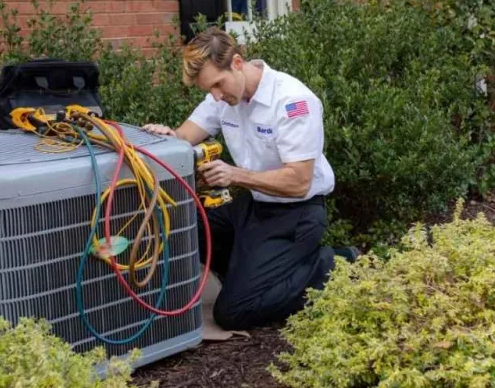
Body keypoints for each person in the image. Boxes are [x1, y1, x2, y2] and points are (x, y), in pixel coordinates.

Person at [142, 27, 358, 331]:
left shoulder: (292, 101)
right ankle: (253, 276)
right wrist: (167, 137)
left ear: (238, 63)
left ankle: (333, 263)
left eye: (218, 84)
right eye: (209, 89)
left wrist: (234, 174)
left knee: (232, 313)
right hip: (255, 208)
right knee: (183, 225)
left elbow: (299, 182)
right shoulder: (224, 97)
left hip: (297, 215)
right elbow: (184, 137)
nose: (216, 95)